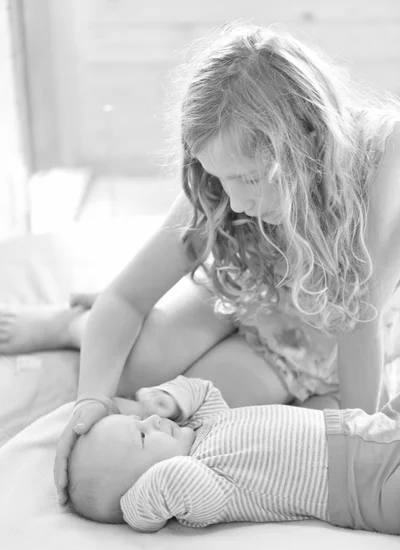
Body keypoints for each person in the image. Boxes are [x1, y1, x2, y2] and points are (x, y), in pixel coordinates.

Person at [1, 23, 399, 502]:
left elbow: (359, 321)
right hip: (245, 288)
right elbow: (127, 298)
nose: (236, 200)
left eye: (249, 179)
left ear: (303, 143)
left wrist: (360, 450)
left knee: (206, 426)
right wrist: (89, 401)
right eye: (220, 178)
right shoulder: (225, 190)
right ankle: (73, 325)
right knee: (124, 375)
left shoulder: (383, 162)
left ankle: (83, 329)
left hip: (324, 338)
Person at [67, 375, 400, 535]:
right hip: (369, 488)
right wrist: (131, 508)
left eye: (140, 419)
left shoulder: (204, 423)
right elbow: (169, 480)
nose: (152, 420)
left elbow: (206, 389)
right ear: (142, 485)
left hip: (368, 428)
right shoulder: (203, 486)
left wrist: (172, 398)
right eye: (142, 434)